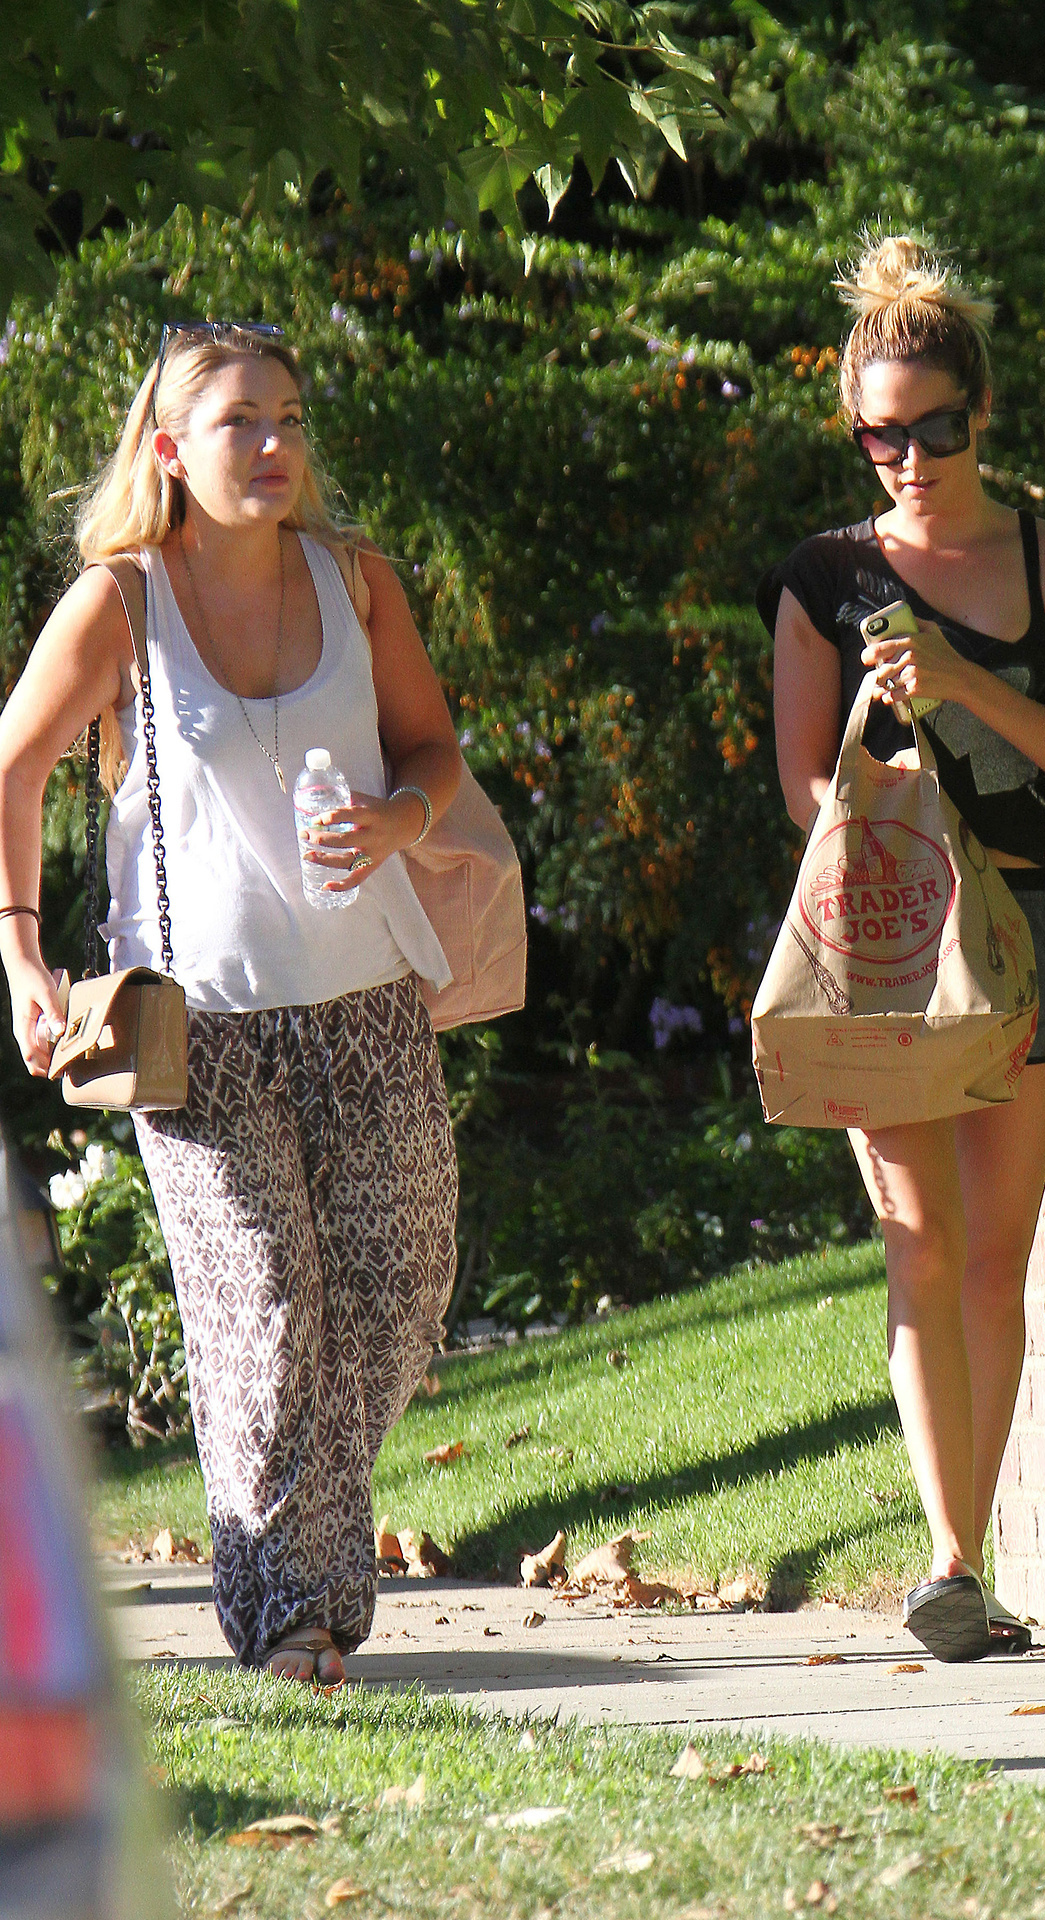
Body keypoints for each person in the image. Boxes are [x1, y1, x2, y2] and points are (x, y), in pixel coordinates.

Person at [0, 321, 463, 1683]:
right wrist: (20, 954)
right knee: (262, 1311)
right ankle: (294, 1620)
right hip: (197, 1027)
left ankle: (292, 1550)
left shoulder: (356, 582)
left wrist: (399, 817)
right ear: (169, 450)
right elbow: (12, 765)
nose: (273, 445)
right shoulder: (122, 602)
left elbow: (433, 747)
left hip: (370, 1000)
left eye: (290, 419)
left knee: (400, 1290)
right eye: (239, 421)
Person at [757, 237, 1045, 1662]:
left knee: (993, 1258)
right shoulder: (826, 576)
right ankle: (951, 1563)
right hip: (891, 944)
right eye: (881, 436)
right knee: (917, 1243)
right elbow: (802, 787)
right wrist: (888, 787)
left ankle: (963, 1561)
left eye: (936, 429)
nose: (910, 460)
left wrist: (967, 678)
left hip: (1036, 932)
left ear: (982, 413)